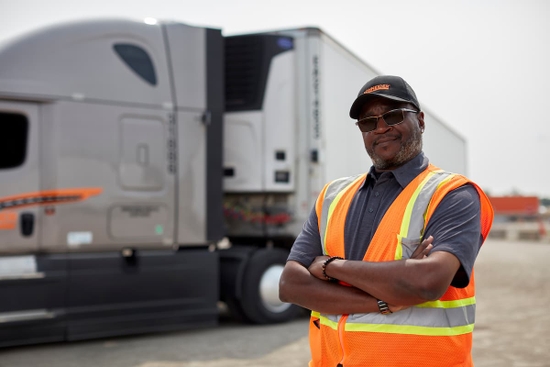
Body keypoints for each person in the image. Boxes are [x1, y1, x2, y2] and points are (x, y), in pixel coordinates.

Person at [279, 75, 494, 367]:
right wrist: (384, 300)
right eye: (368, 122)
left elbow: (427, 282)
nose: (381, 127)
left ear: (419, 120)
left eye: (393, 116)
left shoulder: (453, 194)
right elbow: (291, 285)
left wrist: (331, 267)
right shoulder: (332, 196)